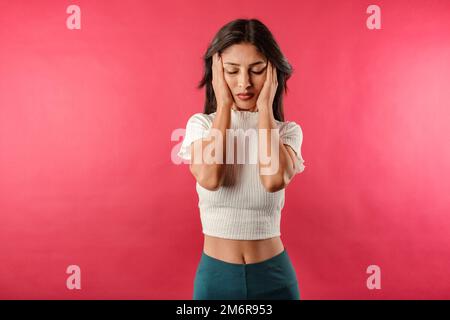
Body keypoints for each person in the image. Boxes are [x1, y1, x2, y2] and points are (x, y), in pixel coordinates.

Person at [177, 18, 306, 300]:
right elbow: (211, 177)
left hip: (275, 278)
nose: (244, 83)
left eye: (257, 70)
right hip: (216, 279)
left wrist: (264, 110)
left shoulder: (287, 133)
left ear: (273, 72)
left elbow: (272, 179)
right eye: (231, 71)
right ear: (217, 74)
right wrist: (223, 105)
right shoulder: (201, 126)